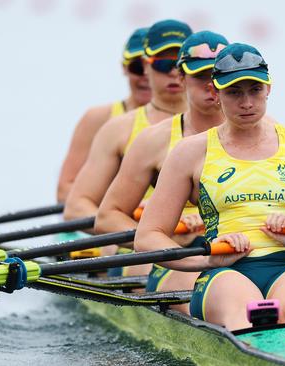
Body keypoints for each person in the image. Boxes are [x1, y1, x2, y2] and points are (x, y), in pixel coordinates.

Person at [134, 43, 285, 330]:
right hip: (224, 271)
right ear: (216, 93)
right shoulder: (190, 152)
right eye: (234, 92)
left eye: (255, 90)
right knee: (243, 320)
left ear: (269, 88)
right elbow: (147, 238)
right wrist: (208, 259)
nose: (246, 102)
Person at [95, 31, 229, 311]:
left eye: (220, 76)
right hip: (176, 257)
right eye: (201, 76)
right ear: (183, 79)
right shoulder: (153, 140)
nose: (212, 85)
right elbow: (107, 217)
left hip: (240, 253)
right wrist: (163, 239)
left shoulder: (272, 137)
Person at [63, 19, 192, 272]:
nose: (174, 73)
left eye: (181, 65)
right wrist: (150, 236)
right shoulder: (118, 127)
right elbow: (76, 206)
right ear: (146, 67)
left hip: (205, 240)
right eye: (164, 64)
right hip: (137, 242)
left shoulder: (229, 126)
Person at [57, 28, 150, 204]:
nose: (146, 76)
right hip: (119, 222)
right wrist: (125, 209)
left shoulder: (196, 118)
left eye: (159, 67)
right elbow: (64, 191)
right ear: (124, 68)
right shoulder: (98, 118)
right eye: (138, 67)